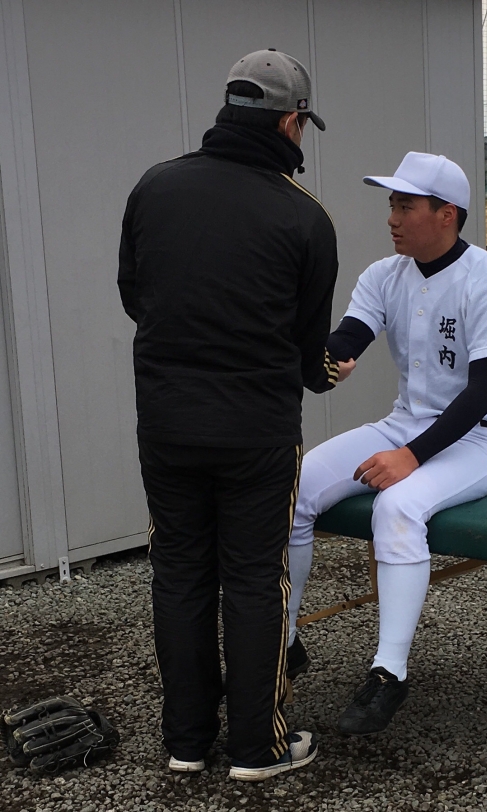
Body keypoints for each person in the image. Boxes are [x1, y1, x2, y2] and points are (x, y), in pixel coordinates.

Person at [118, 49, 353, 780]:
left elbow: (135, 298)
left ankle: (187, 743)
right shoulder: (304, 215)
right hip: (256, 433)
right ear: (288, 122)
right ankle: (257, 747)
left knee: (179, 573)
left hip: (167, 423)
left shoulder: (155, 187)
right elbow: (308, 349)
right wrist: (328, 373)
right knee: (253, 580)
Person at [287, 152, 487, 736]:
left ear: (447, 214)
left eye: (406, 205)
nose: (392, 217)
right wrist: (323, 362)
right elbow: (346, 340)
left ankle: (388, 672)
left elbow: (481, 393)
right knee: (293, 488)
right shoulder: (384, 275)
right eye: (391, 204)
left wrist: (411, 458)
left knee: (397, 506)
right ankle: (283, 642)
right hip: (405, 425)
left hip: (481, 439)